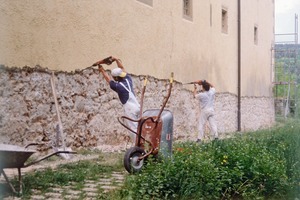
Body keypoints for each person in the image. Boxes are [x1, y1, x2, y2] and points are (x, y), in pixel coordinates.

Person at [95, 56, 140, 143]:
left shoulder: (118, 86)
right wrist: (115, 59)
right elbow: (122, 68)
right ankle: (142, 145)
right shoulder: (128, 79)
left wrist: (102, 70)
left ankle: (137, 147)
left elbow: (108, 79)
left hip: (130, 109)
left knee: (133, 129)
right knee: (139, 127)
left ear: (115, 78)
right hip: (138, 107)